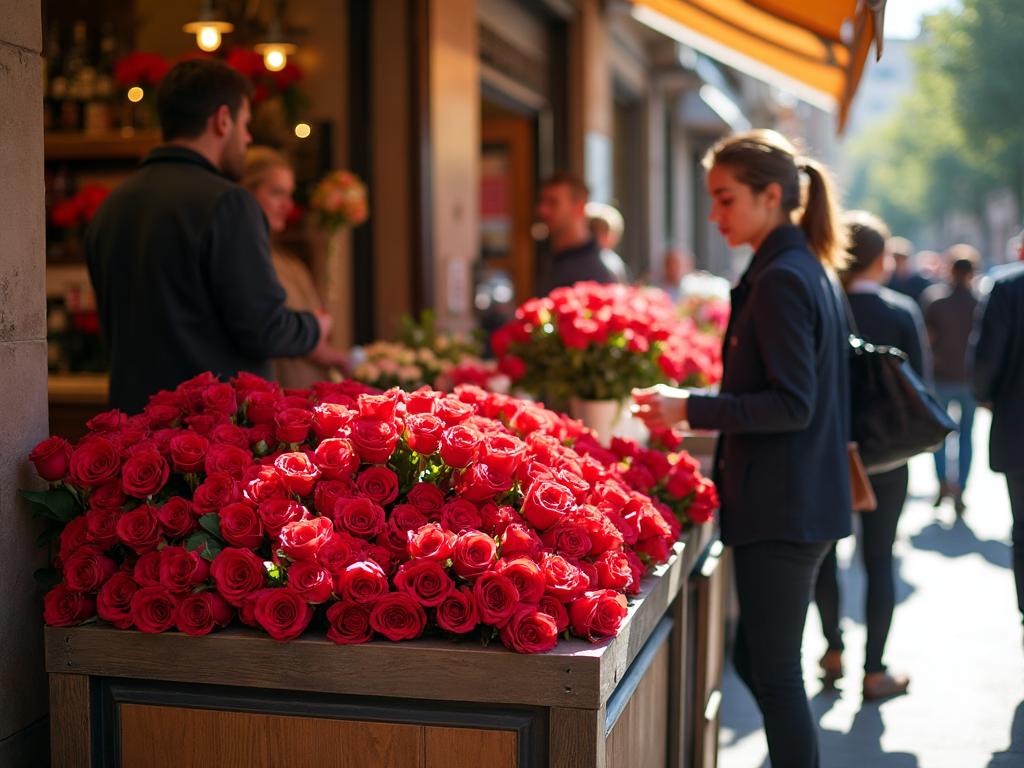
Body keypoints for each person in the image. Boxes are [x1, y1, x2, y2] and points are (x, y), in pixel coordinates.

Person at [633, 130, 851, 768]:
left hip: (785, 506)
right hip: (794, 500)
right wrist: (693, 403)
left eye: (725, 199)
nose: (713, 215)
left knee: (776, 674)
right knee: (756, 660)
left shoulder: (785, 276)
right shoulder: (799, 266)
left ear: (771, 196)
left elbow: (792, 403)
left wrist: (687, 407)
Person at [86, 59, 334, 412]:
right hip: (208, 439)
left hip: (132, 432)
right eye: (245, 125)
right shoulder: (228, 203)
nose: (247, 138)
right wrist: (315, 324)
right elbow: (264, 328)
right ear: (222, 120)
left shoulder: (112, 206)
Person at [813, 211, 931, 701]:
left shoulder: (824, 304)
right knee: (878, 559)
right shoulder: (901, 311)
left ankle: (832, 649)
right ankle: (875, 670)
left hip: (830, 450)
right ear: (882, 259)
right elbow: (919, 387)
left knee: (826, 557)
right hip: (886, 456)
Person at [242, 146, 347, 389]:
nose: (287, 206)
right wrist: (340, 358)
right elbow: (274, 328)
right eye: (277, 193)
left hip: (304, 382)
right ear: (246, 193)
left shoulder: (288, 261)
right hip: (277, 386)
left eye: (290, 195)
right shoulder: (248, 260)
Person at [971, 243, 1024, 635]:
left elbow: (988, 357)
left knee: (1023, 529)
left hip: (1018, 426)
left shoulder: (1007, 288)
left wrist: (985, 394)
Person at [921, 245, 981, 514]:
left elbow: (927, 339)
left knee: (940, 435)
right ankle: (960, 487)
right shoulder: (980, 302)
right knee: (967, 436)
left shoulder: (936, 301)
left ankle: (944, 482)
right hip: (969, 378)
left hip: (942, 376)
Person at [535, 172, 627, 295]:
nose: (542, 210)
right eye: (542, 202)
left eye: (553, 203)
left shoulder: (599, 269)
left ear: (579, 207)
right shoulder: (549, 257)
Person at [886, 236, 933, 304]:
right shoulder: (887, 280)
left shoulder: (921, 282)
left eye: (903, 258)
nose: (900, 262)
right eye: (896, 258)